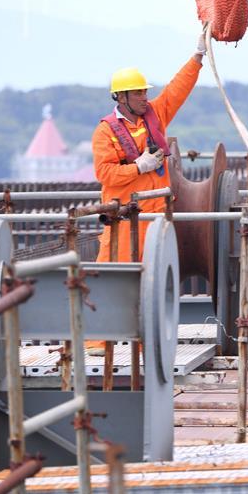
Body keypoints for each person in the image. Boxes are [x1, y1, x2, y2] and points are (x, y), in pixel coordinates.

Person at [86, 35, 206, 355]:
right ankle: (97, 342)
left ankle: (145, 341)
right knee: (110, 276)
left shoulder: (155, 115)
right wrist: (138, 167)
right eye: (138, 92)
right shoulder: (105, 132)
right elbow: (105, 174)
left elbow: (177, 90)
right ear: (121, 97)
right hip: (124, 220)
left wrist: (197, 57)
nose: (144, 96)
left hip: (156, 220)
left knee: (152, 283)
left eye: (144, 91)